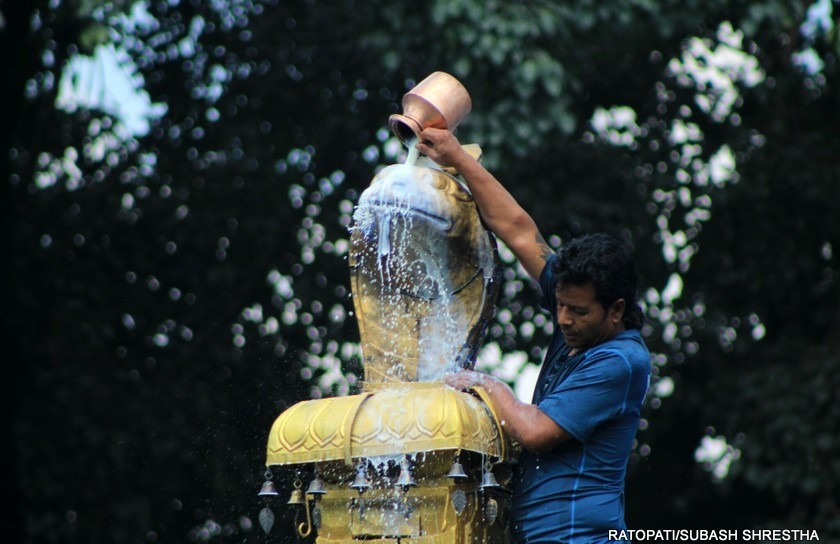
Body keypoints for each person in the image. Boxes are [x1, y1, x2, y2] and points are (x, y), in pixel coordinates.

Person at [415, 128, 651, 544]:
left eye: (577, 311)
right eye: (559, 304)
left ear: (615, 310)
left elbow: (537, 432)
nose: (562, 319)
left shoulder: (621, 360)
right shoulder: (578, 323)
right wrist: (456, 157)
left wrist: (488, 386)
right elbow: (518, 230)